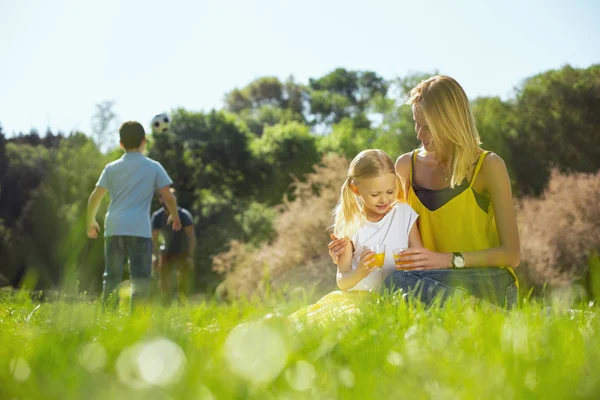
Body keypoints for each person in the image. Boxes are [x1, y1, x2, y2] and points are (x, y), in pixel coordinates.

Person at [329, 75, 520, 309]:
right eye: (416, 123)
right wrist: (349, 250)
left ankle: (495, 315)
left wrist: (448, 260)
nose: (419, 134)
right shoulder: (405, 166)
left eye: (427, 127)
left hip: (488, 282)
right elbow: (386, 226)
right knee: (395, 283)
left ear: (451, 123)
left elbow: (511, 254)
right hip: (425, 282)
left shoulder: (488, 166)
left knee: (398, 283)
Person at [289, 149, 422, 327]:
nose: (384, 199)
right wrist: (360, 271)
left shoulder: (404, 214)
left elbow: (421, 260)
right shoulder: (352, 224)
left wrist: (412, 265)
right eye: (375, 195)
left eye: (390, 191)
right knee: (313, 325)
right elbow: (343, 281)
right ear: (356, 189)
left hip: (397, 297)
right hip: (357, 300)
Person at [86, 121, 181, 311]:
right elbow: (168, 196)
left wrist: (90, 220)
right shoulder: (153, 167)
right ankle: (136, 318)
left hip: (114, 227)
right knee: (141, 277)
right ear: (144, 141)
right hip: (139, 229)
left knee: (111, 276)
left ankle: (108, 317)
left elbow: (95, 196)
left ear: (121, 144)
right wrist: (175, 216)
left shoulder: (111, 168)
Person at [151, 188, 196, 303]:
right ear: (160, 199)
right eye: (163, 197)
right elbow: (154, 239)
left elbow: (191, 237)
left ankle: (183, 305)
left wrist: (190, 256)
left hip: (183, 252)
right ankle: (166, 304)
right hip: (166, 252)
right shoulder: (157, 216)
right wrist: (155, 256)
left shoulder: (184, 215)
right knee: (164, 282)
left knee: (183, 282)